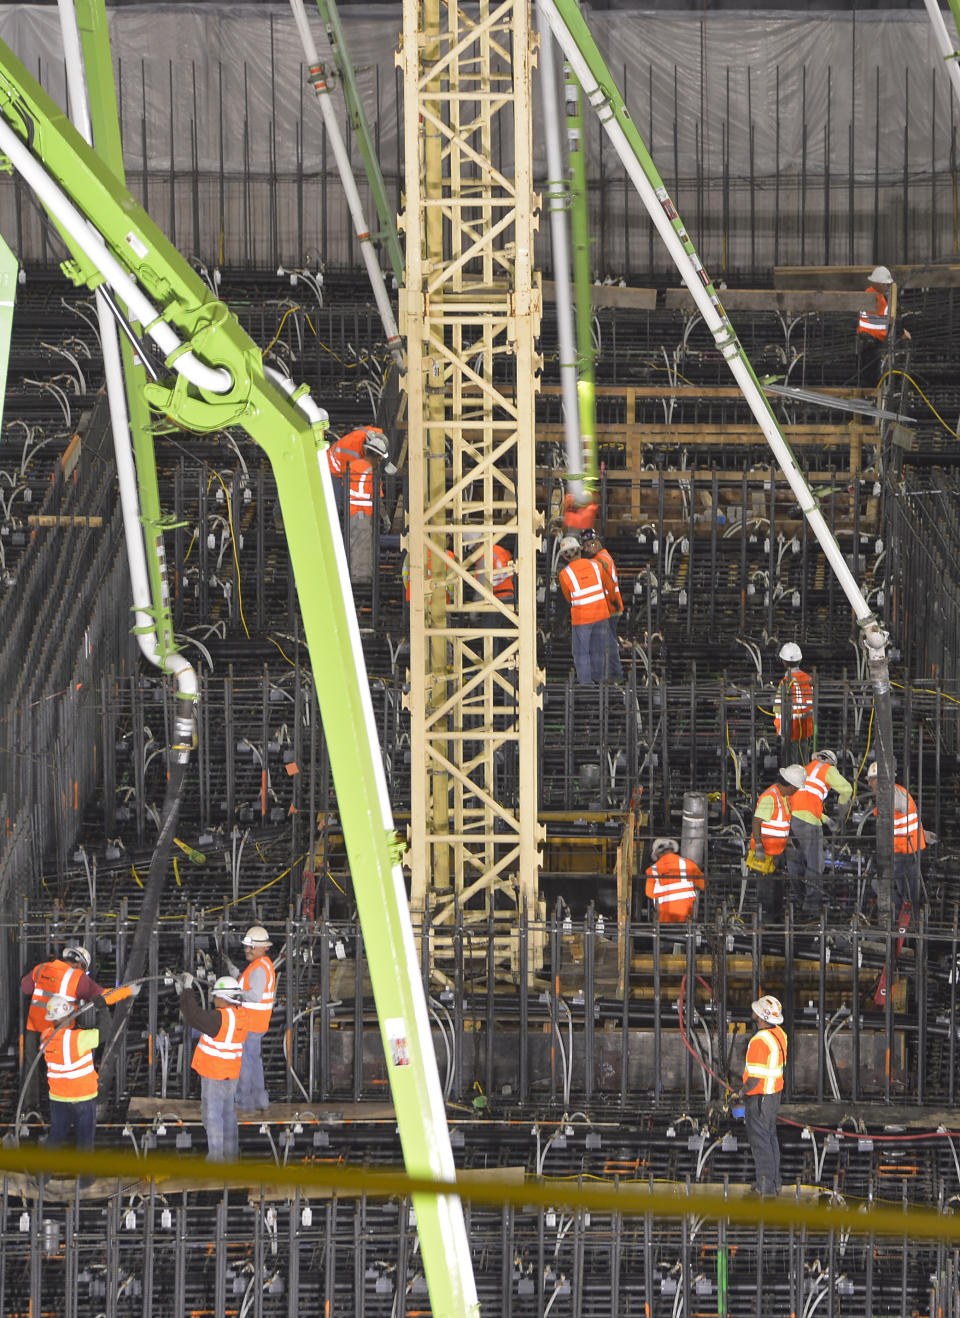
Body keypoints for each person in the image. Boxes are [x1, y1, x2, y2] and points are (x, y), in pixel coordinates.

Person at [21, 945, 107, 1105]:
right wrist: (127, 992)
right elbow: (102, 996)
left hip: (35, 1028)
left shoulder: (40, 969)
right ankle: (61, 1100)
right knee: (60, 1066)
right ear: (80, 965)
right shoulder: (78, 977)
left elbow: (25, 988)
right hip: (59, 1031)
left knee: (32, 1067)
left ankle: (29, 1108)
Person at [178, 973, 248, 1162]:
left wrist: (186, 990)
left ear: (224, 997)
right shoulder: (239, 1014)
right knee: (228, 1115)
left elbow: (193, 1016)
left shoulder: (219, 1019)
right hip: (230, 1075)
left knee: (213, 1117)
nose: (214, 999)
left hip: (215, 1075)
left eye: (216, 995)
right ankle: (231, 1157)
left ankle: (216, 1159)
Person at [40, 993, 106, 1168]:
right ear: (69, 1016)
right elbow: (106, 1031)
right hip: (83, 1098)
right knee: (85, 1140)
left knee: (55, 1136)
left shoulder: (45, 1037)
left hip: (59, 1099)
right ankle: (85, 1180)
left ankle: (42, 1174)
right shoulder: (78, 1038)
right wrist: (102, 1007)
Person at [788, 750, 853, 916]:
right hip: (809, 823)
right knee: (814, 864)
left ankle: (798, 899)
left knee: (795, 862)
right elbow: (847, 789)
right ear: (830, 762)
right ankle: (811, 906)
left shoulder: (804, 769)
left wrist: (827, 820)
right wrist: (840, 815)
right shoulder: (827, 769)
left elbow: (806, 799)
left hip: (790, 819)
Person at [741, 994, 787, 1197]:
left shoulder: (759, 1041)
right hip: (773, 1096)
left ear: (761, 1016)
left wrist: (738, 1092)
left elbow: (755, 1079)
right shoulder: (780, 1034)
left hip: (760, 1098)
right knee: (770, 1139)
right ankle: (774, 1182)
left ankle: (765, 1188)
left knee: (760, 1142)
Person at [227, 925, 276, 1115]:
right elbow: (249, 986)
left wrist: (233, 995)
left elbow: (254, 996)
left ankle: (245, 1102)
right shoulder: (259, 966)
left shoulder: (259, 969)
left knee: (246, 1062)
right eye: (246, 946)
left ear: (264, 947)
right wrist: (236, 975)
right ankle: (260, 1100)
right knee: (253, 1061)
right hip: (254, 1023)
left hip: (250, 1023)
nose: (247, 950)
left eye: (251, 947)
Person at [748, 764, 807, 921]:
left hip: (778, 852)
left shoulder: (785, 797)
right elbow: (756, 821)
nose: (796, 791)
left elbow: (783, 823)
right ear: (788, 784)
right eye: (795, 788)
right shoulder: (770, 797)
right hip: (765, 853)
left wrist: (791, 843)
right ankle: (765, 922)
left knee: (777, 889)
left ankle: (775, 918)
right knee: (767, 891)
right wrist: (759, 846)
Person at [557, 534, 618, 683]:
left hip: (582, 618)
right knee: (599, 651)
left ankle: (586, 687)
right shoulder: (595, 565)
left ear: (565, 556)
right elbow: (606, 585)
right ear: (579, 549)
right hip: (601, 614)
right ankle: (600, 685)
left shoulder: (565, 574)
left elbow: (568, 597)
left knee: (581, 653)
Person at [866, 761, 925, 911]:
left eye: (871, 780)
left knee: (878, 883)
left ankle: (901, 909)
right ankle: (908, 911)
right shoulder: (894, 793)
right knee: (907, 889)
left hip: (905, 851)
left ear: (878, 780)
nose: (869, 784)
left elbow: (900, 806)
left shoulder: (894, 794)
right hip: (907, 849)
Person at [856, 265, 909, 388]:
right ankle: (869, 399)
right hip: (871, 342)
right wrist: (899, 332)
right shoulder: (875, 298)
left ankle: (870, 397)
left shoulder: (873, 293)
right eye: (885, 284)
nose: (887, 287)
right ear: (878, 283)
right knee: (870, 378)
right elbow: (886, 320)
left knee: (870, 376)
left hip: (870, 341)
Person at [581, 529, 623, 681]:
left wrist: (612, 603)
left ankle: (615, 674)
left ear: (597, 542)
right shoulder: (603, 556)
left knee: (608, 642)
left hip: (609, 608)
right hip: (610, 607)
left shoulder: (599, 561)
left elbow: (608, 585)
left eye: (590, 544)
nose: (588, 548)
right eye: (585, 546)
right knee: (606, 640)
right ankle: (610, 673)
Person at [326, 426, 396, 517]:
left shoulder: (377, 434)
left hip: (348, 459)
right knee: (337, 503)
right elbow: (351, 483)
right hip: (334, 469)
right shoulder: (352, 454)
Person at [644, 837, 705, 923]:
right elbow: (703, 884)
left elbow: (649, 894)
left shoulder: (652, 870)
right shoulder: (688, 864)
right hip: (687, 921)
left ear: (657, 854)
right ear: (673, 850)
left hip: (664, 923)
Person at [772, 642, 813, 764]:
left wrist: (780, 731)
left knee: (790, 768)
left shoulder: (785, 683)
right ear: (799, 660)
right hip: (806, 731)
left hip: (789, 731)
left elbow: (779, 711)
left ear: (784, 662)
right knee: (804, 764)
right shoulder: (809, 680)